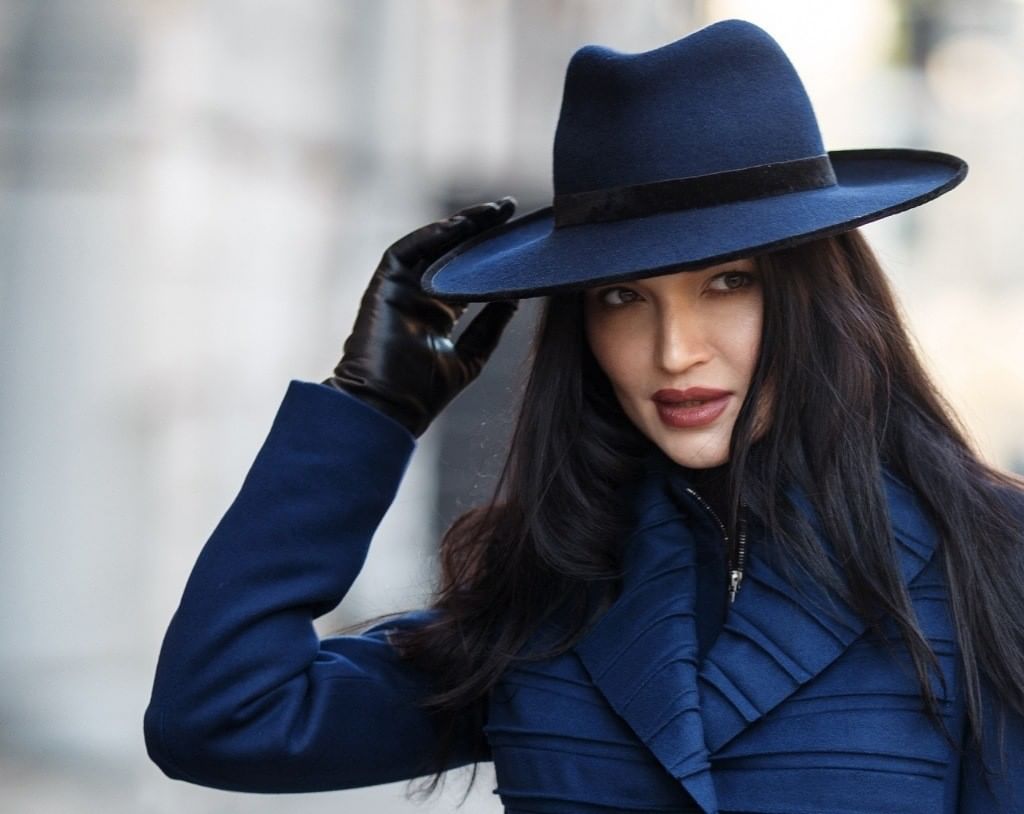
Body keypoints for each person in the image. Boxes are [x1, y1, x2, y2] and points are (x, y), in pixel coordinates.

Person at [143, 18, 1024, 813]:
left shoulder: (989, 562)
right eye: (622, 296)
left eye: (729, 283)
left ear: (817, 297)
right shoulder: (547, 587)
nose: (674, 350)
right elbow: (223, 715)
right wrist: (372, 409)